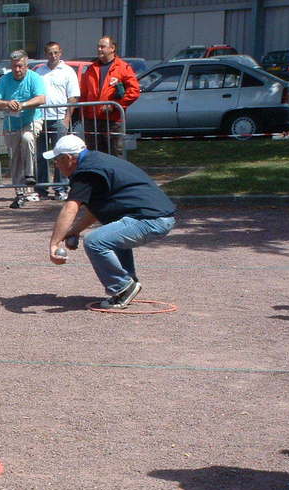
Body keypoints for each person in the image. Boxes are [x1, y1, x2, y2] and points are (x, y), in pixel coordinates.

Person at [44, 134, 176, 309]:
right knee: (110, 230)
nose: (56, 164)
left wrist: (54, 244)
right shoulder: (95, 162)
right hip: (156, 217)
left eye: (57, 160)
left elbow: (70, 208)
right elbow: (96, 210)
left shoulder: (86, 172)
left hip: (151, 220)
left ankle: (123, 287)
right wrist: (75, 230)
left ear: (68, 158)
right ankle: (128, 282)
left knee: (95, 241)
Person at [0, 50, 46, 207]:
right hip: (11, 124)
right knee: (15, 157)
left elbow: (41, 98)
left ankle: (30, 174)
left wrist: (24, 104)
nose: (17, 70)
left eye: (20, 66)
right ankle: (19, 194)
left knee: (27, 138)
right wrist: (7, 103)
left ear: (26, 66)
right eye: (14, 67)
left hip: (32, 120)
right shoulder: (5, 80)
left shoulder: (35, 78)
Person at [77, 36, 140, 157]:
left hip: (113, 120)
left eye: (102, 46)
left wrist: (116, 106)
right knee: (94, 156)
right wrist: (83, 115)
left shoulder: (123, 67)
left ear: (112, 48)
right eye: (98, 47)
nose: (99, 49)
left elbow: (134, 91)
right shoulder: (91, 69)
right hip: (92, 121)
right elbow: (84, 94)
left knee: (115, 155)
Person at [34, 42, 80, 200]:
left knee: (61, 155)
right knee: (40, 155)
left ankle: (61, 188)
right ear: (45, 54)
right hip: (40, 118)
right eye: (49, 53)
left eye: (55, 52)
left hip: (59, 118)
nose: (53, 56)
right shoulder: (39, 72)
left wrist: (67, 118)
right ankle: (42, 189)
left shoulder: (68, 72)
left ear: (60, 53)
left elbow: (73, 96)